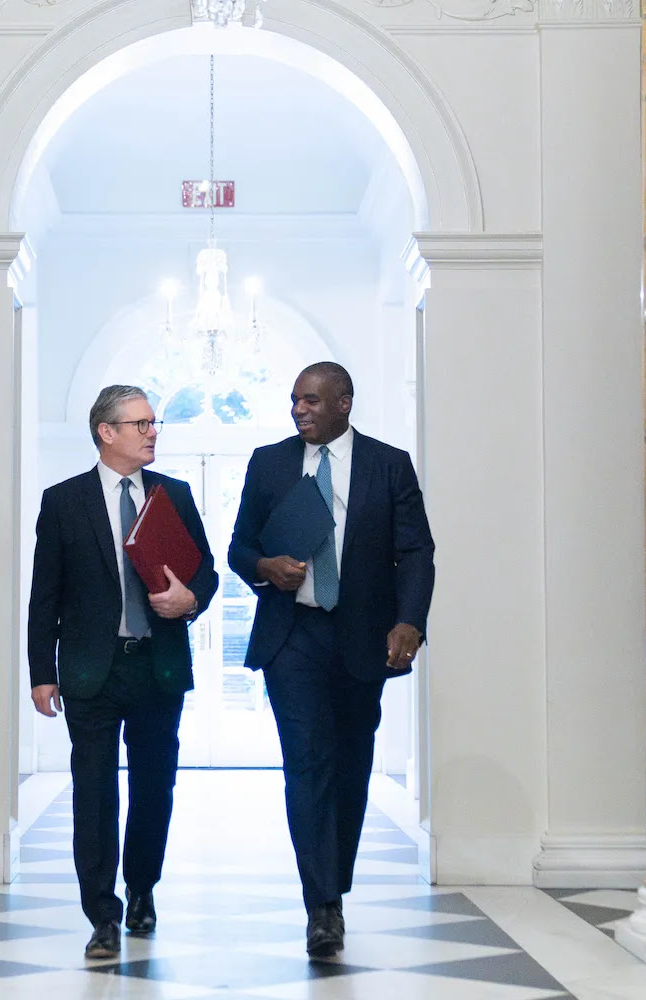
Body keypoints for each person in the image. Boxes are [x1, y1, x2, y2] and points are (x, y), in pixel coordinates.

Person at [228, 361, 435, 958]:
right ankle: (322, 905)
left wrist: (410, 621)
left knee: (349, 768)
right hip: (292, 637)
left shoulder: (388, 465)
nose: (300, 410)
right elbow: (242, 546)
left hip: (362, 638)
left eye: (312, 401)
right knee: (307, 763)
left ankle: (333, 885)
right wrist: (264, 568)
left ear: (344, 402)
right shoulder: (268, 463)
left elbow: (417, 550)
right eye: (294, 400)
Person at [27, 384, 219, 959]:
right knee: (94, 792)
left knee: (155, 786)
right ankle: (101, 915)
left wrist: (190, 600)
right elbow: (45, 597)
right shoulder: (64, 502)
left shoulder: (174, 495)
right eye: (139, 424)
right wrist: (42, 671)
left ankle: (142, 891)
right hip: (91, 671)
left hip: (157, 667)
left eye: (153, 422)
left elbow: (204, 572)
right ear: (106, 433)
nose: (152, 432)